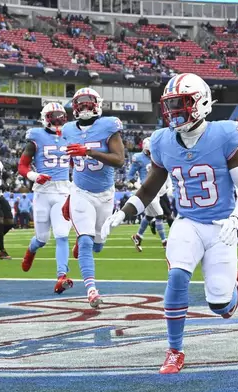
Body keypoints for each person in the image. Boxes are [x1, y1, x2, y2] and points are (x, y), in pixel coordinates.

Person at [100, 73, 238, 375]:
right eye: (170, 105)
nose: (174, 112)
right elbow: (149, 188)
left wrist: (236, 219)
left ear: (201, 102)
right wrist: (123, 212)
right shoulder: (161, 141)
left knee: (220, 306)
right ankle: (174, 350)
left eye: (181, 104)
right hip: (187, 222)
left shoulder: (226, 134)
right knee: (177, 277)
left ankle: (230, 289)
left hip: (222, 223)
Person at [61, 88, 125, 308]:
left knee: (98, 243)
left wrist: (89, 152)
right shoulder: (68, 129)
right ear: (74, 106)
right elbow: (72, 160)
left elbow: (119, 160)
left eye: (89, 103)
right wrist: (70, 193)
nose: (85, 107)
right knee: (86, 241)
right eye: (81, 103)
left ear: (97, 104)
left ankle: (85, 242)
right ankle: (91, 290)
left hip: (105, 194)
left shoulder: (108, 126)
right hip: (81, 192)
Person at [19, 102, 73, 294]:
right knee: (42, 239)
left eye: (61, 115)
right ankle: (31, 250)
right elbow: (22, 166)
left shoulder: (70, 135)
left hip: (63, 191)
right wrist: (34, 176)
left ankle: (61, 276)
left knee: (62, 235)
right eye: (54, 116)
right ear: (45, 118)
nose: (58, 119)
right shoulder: (36, 137)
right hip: (42, 192)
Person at [127, 137, 168, 251]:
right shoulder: (139, 158)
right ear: (145, 150)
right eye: (150, 151)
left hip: (157, 190)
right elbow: (130, 176)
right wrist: (139, 186)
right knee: (159, 215)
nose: (152, 153)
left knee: (149, 216)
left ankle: (138, 237)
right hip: (148, 191)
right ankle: (164, 242)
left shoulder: (158, 156)